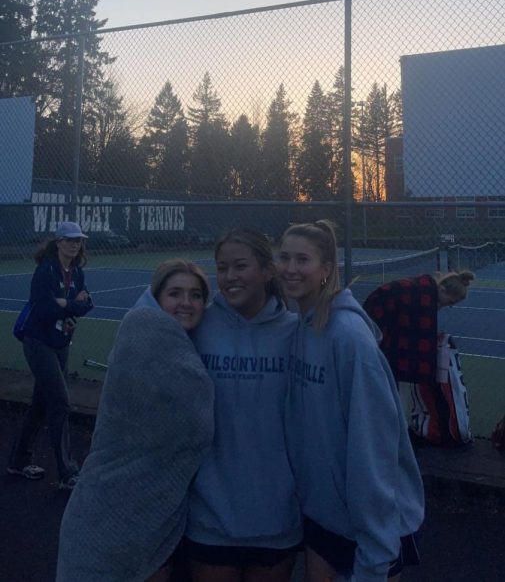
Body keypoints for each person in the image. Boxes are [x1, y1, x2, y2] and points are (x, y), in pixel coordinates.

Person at [278, 220, 424, 582]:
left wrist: (376, 552)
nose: (290, 269)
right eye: (284, 258)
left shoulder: (350, 339)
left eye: (302, 260)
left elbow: (373, 449)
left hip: (368, 529)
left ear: (325, 270)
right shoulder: (302, 327)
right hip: (324, 516)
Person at [56, 258, 214, 582]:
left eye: (196, 295)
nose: (186, 302)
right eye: (175, 293)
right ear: (157, 299)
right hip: (107, 512)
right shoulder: (141, 329)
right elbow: (194, 417)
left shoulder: (189, 347)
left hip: (162, 520)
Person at [184, 228, 302, 582]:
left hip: (277, 517)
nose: (230, 277)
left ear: (268, 271)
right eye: (222, 269)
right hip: (209, 517)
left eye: (240, 266)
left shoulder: (297, 332)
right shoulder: (196, 326)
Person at [8, 221, 93, 490]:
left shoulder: (77, 272)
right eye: (69, 240)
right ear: (58, 242)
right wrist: (72, 305)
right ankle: (68, 473)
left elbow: (87, 304)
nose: (74, 244)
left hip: (60, 342)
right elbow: (43, 309)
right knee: (60, 402)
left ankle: (18, 462)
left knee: (41, 404)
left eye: (78, 240)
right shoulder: (44, 272)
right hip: (38, 342)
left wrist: (65, 304)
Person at [363, 270, 474, 385]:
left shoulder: (426, 293)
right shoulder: (422, 297)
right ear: (442, 290)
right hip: (377, 315)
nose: (449, 305)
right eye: (450, 301)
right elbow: (418, 332)